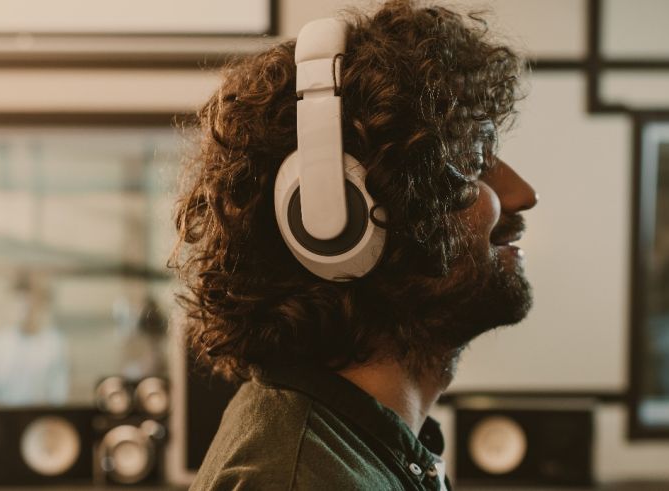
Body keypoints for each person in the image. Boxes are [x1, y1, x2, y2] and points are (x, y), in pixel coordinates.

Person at [171, 1, 538, 489]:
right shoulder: (299, 479)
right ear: (334, 220)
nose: (523, 195)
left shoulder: (350, 445)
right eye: (473, 160)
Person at [0, 271, 69, 406]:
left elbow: (58, 397)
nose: (24, 310)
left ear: (40, 304)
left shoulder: (54, 344)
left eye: (30, 303)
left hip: (40, 421)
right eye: (18, 302)